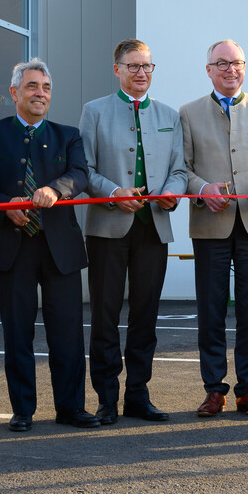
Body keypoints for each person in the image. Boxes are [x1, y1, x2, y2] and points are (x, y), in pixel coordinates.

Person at [0, 59, 98, 432]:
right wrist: (4, 207)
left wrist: (56, 189)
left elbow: (80, 174)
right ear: (14, 93)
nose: (40, 93)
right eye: (33, 86)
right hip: (11, 247)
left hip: (60, 249)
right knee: (17, 333)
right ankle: (22, 409)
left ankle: (71, 408)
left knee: (67, 333)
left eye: (46, 88)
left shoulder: (68, 135)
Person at [179, 40, 248, 419]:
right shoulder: (188, 113)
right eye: (222, 63)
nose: (231, 69)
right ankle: (214, 390)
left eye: (237, 63)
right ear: (208, 70)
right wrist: (202, 189)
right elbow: (183, 168)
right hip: (210, 222)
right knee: (210, 311)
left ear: (245, 67)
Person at [79, 39, 187, 424]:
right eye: (133, 66)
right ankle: (107, 398)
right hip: (107, 227)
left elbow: (179, 169)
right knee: (105, 315)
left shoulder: (169, 115)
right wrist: (113, 193)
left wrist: (172, 193)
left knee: (146, 315)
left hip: (153, 227)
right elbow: (84, 169)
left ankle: (138, 394)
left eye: (147, 66)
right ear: (117, 69)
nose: (141, 72)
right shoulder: (94, 111)